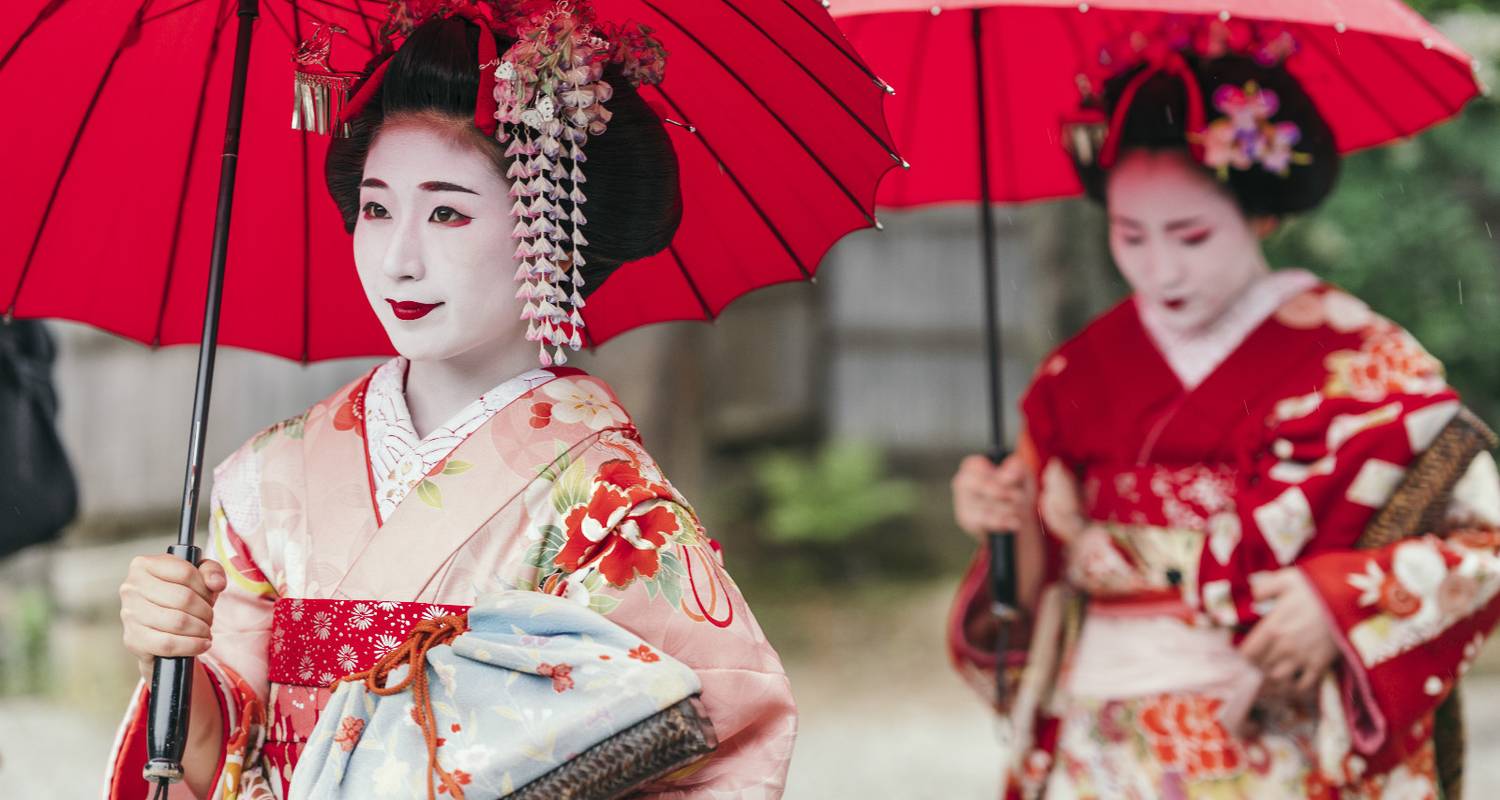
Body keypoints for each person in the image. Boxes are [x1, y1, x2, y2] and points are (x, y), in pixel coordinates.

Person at [106, 6, 795, 798]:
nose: (397, 258)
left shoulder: (611, 507)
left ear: (548, 229)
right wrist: (176, 667)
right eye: (375, 207)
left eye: (445, 211)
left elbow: (719, 746)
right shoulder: (269, 478)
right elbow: (223, 751)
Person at [948, 20, 1500, 800]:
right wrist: (1003, 525)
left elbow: (1483, 545)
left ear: (1263, 213)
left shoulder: (1365, 360)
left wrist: (1337, 601)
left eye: (1191, 233)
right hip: (1101, 736)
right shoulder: (1077, 374)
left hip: (1281, 733)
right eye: (1129, 234)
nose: (1160, 266)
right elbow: (1038, 585)